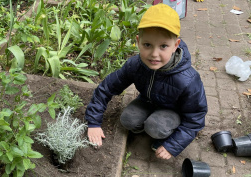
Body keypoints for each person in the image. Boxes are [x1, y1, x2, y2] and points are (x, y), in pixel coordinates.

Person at [85, 4, 208, 160]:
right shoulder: (136, 65)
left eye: (163, 46)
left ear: (175, 45)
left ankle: (165, 133)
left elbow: (196, 117)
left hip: (174, 111)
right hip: (148, 100)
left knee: (155, 127)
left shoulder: (188, 80)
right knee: (128, 120)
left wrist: (172, 145)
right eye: (147, 45)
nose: (154, 54)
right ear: (138, 41)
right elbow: (106, 88)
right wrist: (94, 123)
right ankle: (150, 121)